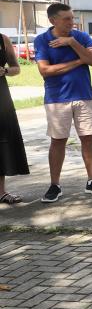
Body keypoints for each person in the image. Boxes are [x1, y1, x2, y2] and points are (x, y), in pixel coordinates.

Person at [33, 3, 92, 202]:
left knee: (88, 139)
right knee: (58, 141)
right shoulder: (42, 40)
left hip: (84, 95)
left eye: (72, 18)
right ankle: (54, 185)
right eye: (66, 19)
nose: (71, 22)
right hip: (57, 99)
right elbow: (45, 71)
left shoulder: (80, 37)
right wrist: (79, 61)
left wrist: (72, 43)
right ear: (52, 21)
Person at [0, 32, 29, 204]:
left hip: (1, 97)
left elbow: (16, 68)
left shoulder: (3, 39)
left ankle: (1, 192)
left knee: (2, 141)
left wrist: (4, 70)